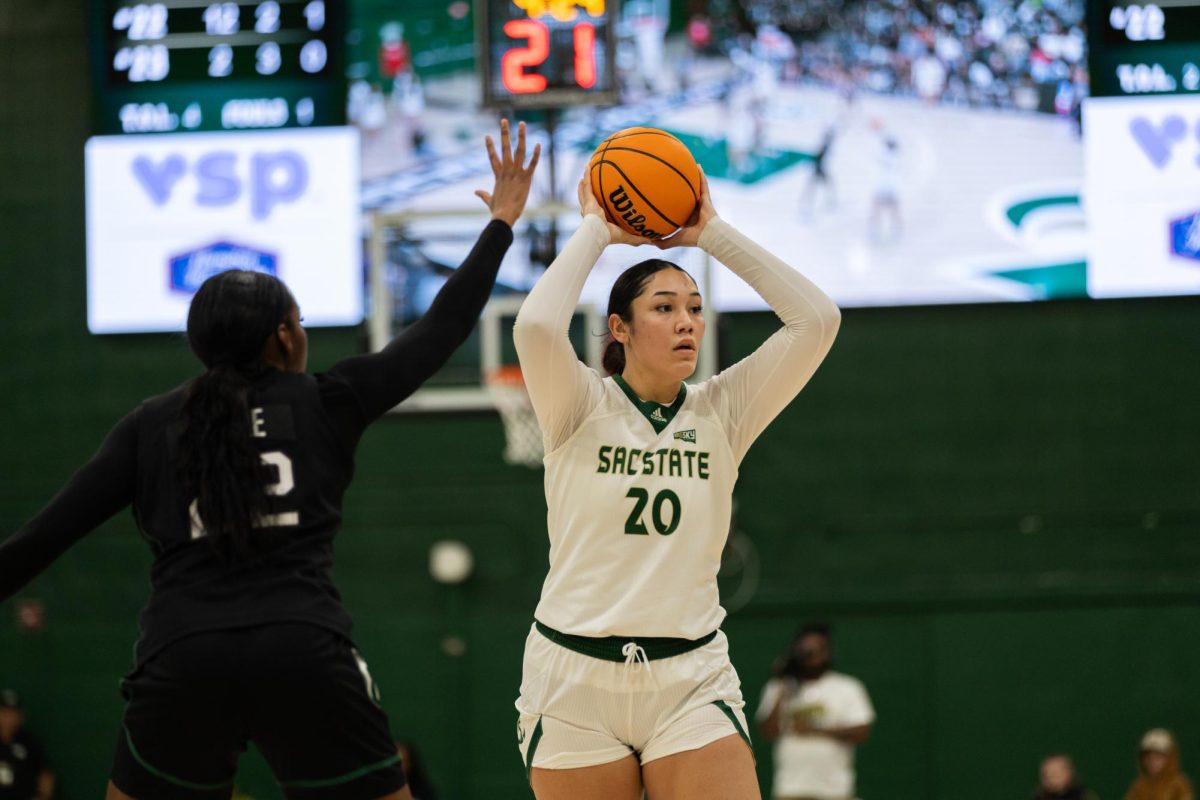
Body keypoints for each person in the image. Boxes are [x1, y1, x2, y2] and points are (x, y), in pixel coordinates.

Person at [0, 120, 539, 800]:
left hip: (183, 655)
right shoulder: (326, 401)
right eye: (302, 319)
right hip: (301, 650)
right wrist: (498, 224)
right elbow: (441, 328)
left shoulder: (149, 425)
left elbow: (42, 539)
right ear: (285, 336)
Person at [511, 170, 841, 800]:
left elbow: (817, 320)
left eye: (693, 307)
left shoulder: (723, 411)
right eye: (663, 308)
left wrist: (710, 233)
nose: (687, 321)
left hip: (689, 673)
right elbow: (533, 329)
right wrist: (596, 231)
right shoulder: (577, 405)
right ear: (620, 329)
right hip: (573, 675)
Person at [755, 624, 874, 800]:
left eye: (818, 649)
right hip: (791, 789)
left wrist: (815, 730)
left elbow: (861, 731)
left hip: (835, 791)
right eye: (806, 650)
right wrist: (782, 684)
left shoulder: (847, 687)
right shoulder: (778, 687)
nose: (812, 655)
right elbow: (767, 731)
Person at [0, 690, 54, 800]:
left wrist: (43, 796)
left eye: (13, 713)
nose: (9, 718)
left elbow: (45, 776)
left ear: (21, 717)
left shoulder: (29, 743)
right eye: (4, 713)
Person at [1125, 728, 1194, 800]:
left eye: (1157, 757)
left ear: (1170, 759)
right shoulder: (1139, 786)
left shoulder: (1179, 786)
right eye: (1148, 757)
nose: (1152, 762)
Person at [1032, 753, 1097, 800]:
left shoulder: (1083, 796)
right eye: (1046, 775)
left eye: (1055, 774)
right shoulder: (1038, 797)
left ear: (1069, 773)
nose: (1050, 779)